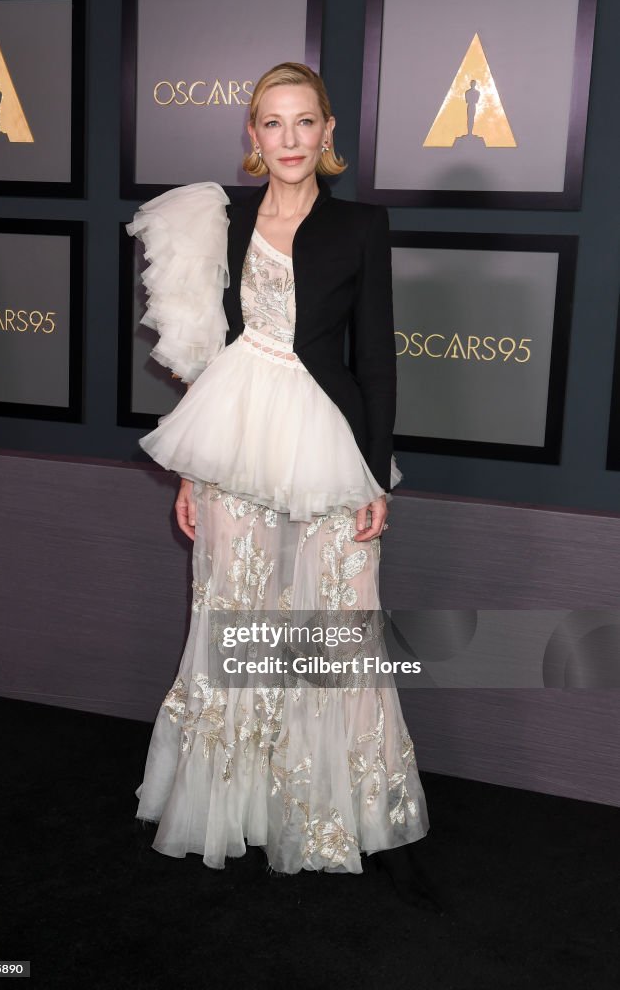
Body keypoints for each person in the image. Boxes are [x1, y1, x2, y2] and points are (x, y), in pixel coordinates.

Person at [127, 62, 441, 910]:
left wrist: (378, 474)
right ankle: (237, 806)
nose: (291, 139)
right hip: (234, 443)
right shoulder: (220, 221)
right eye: (274, 124)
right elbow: (201, 350)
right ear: (253, 137)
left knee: (340, 628)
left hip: (328, 445)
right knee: (233, 618)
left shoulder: (362, 225)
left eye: (306, 123)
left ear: (329, 131)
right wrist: (191, 473)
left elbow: (377, 355)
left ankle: (360, 818)